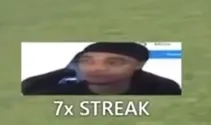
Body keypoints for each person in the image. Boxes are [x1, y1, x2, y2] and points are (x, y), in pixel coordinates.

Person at [21, 42, 182, 96]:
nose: (97, 69)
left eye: (113, 62)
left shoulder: (164, 89)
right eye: (87, 61)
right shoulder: (41, 89)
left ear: (139, 65)